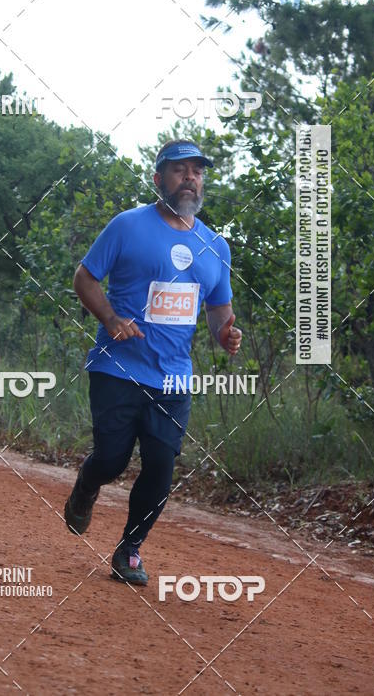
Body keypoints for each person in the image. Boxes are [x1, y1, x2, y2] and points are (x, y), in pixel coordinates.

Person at [64, 139, 242, 585]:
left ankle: (130, 550)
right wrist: (110, 318)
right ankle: (87, 484)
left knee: (161, 467)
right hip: (117, 368)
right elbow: (84, 278)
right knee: (112, 460)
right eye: (180, 170)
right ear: (159, 178)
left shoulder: (215, 246)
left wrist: (225, 333)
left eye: (197, 171)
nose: (190, 178)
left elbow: (218, 308)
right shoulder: (127, 226)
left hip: (174, 379)